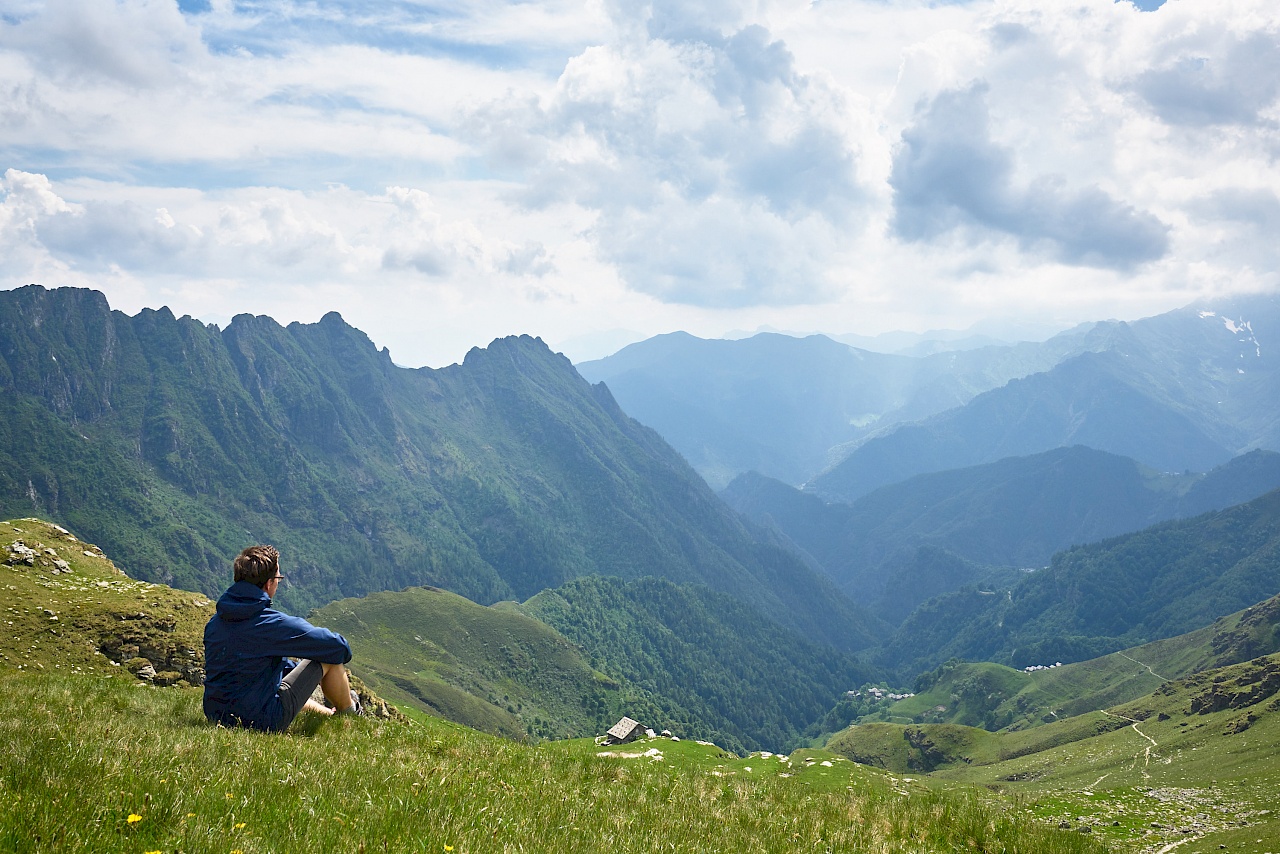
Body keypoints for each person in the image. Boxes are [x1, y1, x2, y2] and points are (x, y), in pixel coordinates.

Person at [203, 544, 360, 731]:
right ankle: (350, 713)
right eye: (278, 578)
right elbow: (338, 646)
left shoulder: (215, 622)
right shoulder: (269, 624)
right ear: (269, 583)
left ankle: (329, 714)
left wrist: (295, 670)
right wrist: (315, 671)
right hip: (261, 721)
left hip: (216, 713)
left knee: (278, 685)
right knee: (326, 656)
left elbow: (251, 665)